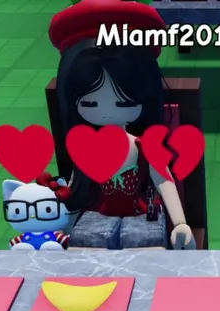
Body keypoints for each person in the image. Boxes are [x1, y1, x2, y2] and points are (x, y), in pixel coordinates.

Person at [49, 0, 195, 250]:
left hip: (140, 215)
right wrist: (63, 231)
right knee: (85, 245)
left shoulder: (142, 145)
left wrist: (180, 223)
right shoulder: (86, 148)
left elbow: (163, 179)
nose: (106, 112)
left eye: (124, 102)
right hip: (98, 216)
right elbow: (77, 186)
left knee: (144, 245)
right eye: (90, 103)